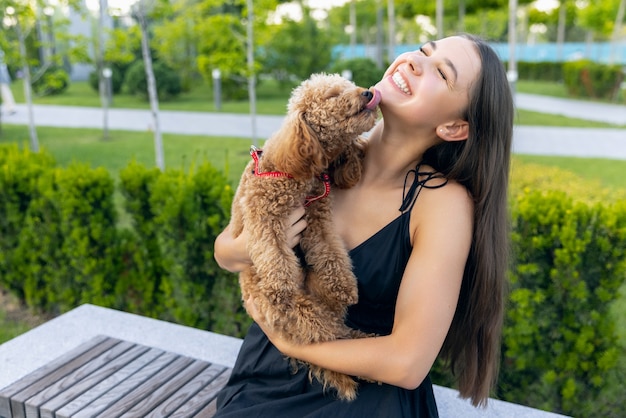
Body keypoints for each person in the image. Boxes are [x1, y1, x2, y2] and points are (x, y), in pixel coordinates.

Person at [213, 33, 513, 417]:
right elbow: (227, 248)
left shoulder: (442, 203)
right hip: (266, 380)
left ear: (454, 127)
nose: (414, 62)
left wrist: (290, 344)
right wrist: (246, 247)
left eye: (441, 72)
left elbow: (407, 363)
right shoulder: (318, 146)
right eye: (423, 51)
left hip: (367, 396)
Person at [0, 49, 16, 115]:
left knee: (5, 91)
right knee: (5, 91)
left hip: (1, 75)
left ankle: (11, 108)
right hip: (2, 74)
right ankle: (10, 108)